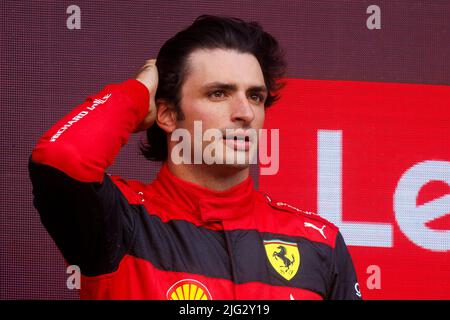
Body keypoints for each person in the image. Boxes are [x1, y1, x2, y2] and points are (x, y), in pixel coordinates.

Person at [29, 15, 362, 300]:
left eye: (256, 96)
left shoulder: (318, 242)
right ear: (168, 114)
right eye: (219, 93)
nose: (245, 112)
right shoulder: (121, 220)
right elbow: (62, 157)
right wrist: (138, 91)